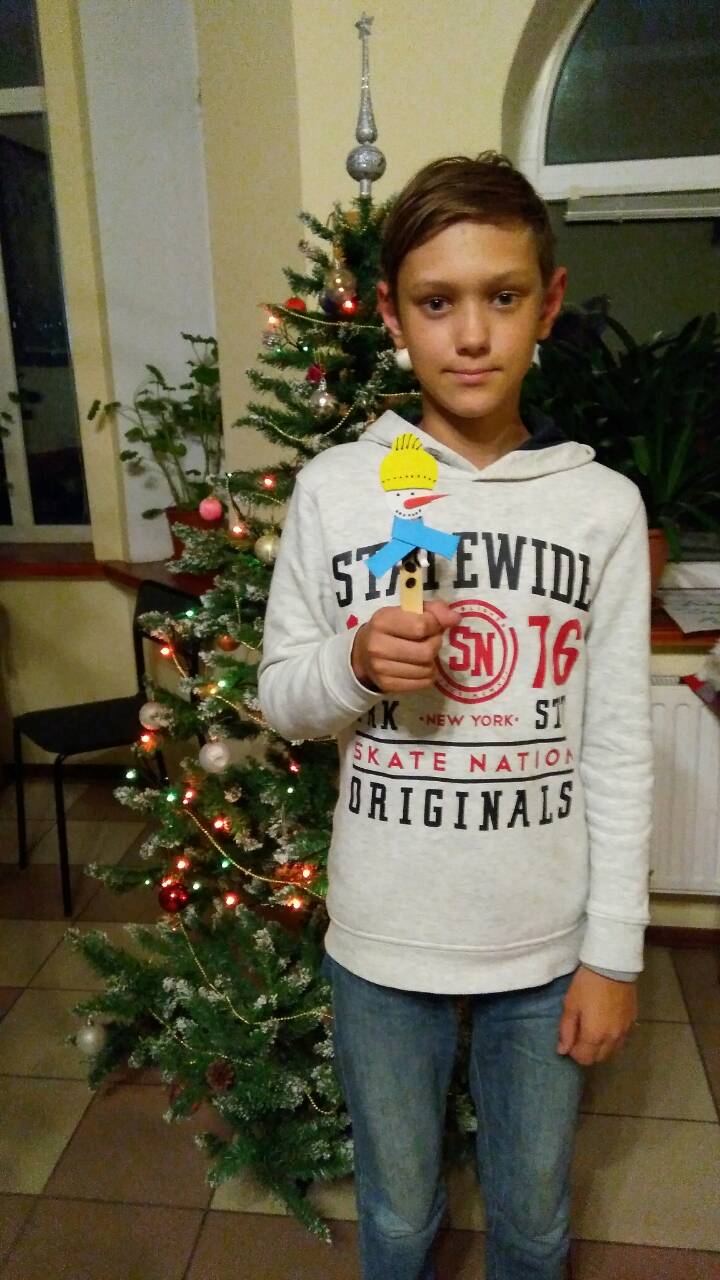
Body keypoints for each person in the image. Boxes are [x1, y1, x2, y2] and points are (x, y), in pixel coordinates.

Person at [257, 152, 654, 1280]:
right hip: (383, 939)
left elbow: (620, 747)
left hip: (545, 946)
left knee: (533, 1223)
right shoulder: (340, 489)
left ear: (549, 304)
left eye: (502, 296)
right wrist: (353, 663)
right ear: (392, 316)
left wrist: (614, 951)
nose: (471, 334)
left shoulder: (602, 508)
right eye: (437, 302)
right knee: (396, 1218)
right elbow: (282, 697)